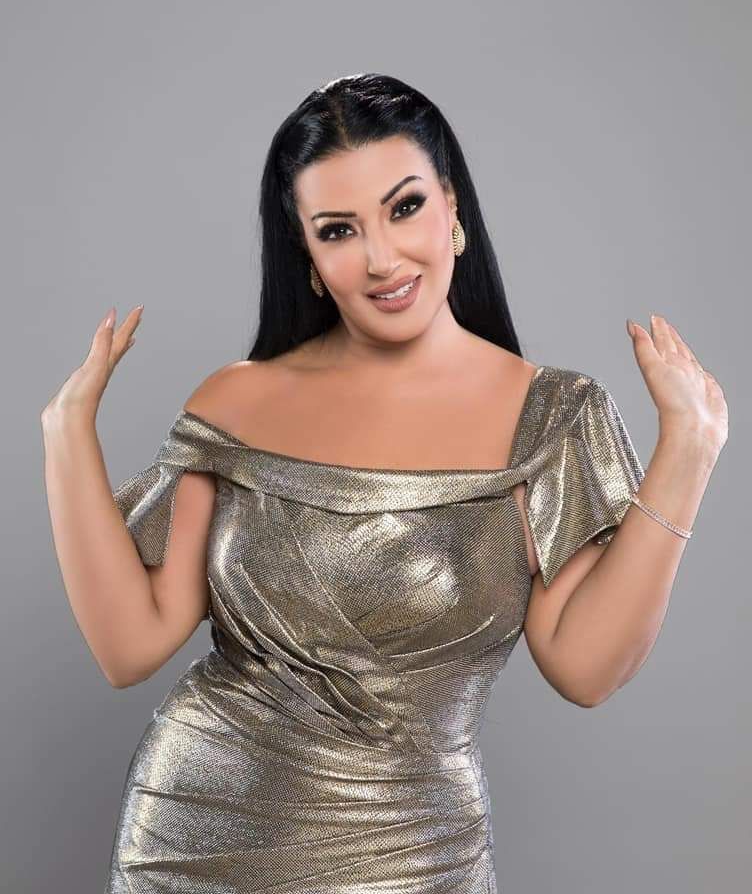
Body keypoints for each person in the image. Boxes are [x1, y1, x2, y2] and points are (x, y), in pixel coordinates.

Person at [42, 73, 727, 892]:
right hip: (195, 839)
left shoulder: (550, 416)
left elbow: (586, 668)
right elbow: (129, 645)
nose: (380, 259)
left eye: (404, 208)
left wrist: (688, 448)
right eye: (338, 230)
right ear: (307, 254)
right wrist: (65, 432)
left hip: (415, 854)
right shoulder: (235, 402)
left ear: (452, 207)